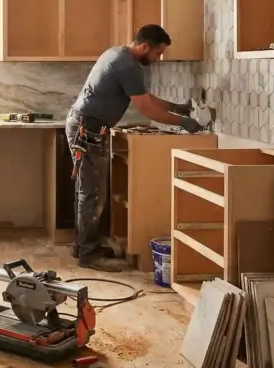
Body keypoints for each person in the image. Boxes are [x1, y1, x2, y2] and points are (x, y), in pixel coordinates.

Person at [66, 24, 202, 272]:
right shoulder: (127, 65)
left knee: (88, 190)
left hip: (87, 125)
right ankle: (88, 254)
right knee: (93, 193)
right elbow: (147, 109)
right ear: (144, 47)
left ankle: (84, 246)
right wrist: (183, 122)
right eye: (157, 53)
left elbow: (144, 98)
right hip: (89, 128)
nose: (157, 59)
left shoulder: (117, 54)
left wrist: (177, 108)